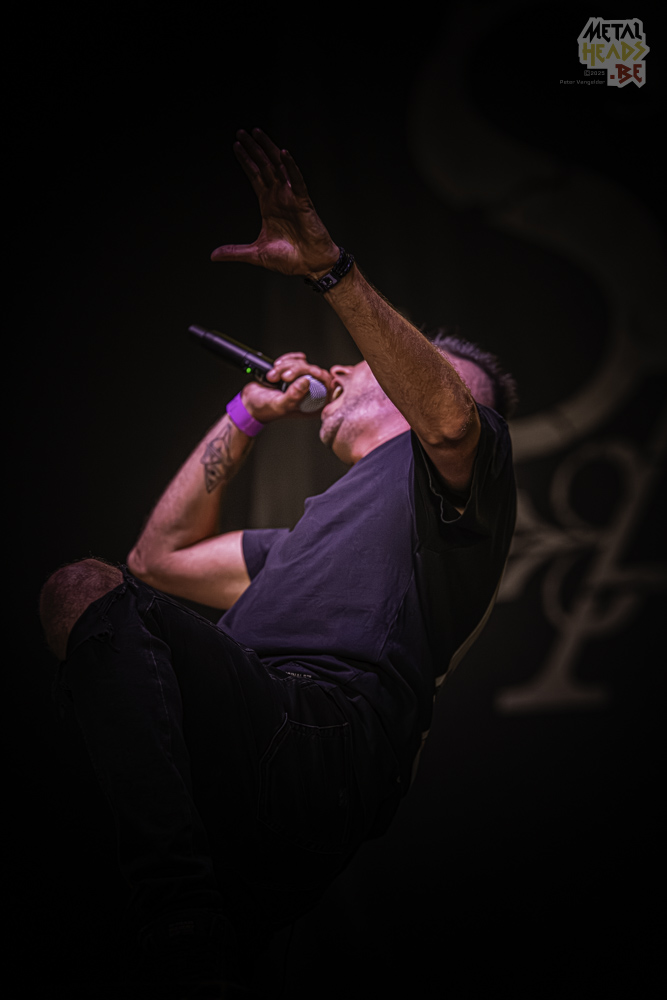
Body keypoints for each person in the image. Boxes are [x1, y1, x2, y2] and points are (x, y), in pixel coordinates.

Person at [39, 129, 517, 997]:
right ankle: (190, 925)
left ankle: (178, 916)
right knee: (91, 602)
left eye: (369, 364)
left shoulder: (453, 483)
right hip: (245, 730)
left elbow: (448, 420)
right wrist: (245, 415)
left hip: (318, 727)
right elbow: (156, 560)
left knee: (77, 588)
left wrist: (330, 271)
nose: (341, 367)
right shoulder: (308, 539)